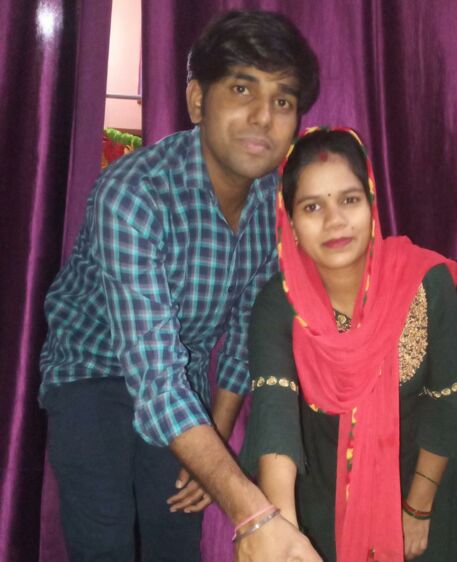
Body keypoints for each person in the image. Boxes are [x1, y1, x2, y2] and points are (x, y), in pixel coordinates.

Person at [39, 10, 322, 562]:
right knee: (105, 535)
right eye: (241, 88)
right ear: (197, 100)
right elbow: (154, 378)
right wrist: (254, 513)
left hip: (179, 377)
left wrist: (214, 437)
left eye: (283, 100)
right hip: (90, 370)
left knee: (176, 535)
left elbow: (243, 335)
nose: (263, 116)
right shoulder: (132, 193)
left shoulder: (274, 204)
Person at [240, 127, 457, 561]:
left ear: (372, 204)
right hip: (322, 500)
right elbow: (274, 415)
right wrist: (282, 527)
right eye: (312, 207)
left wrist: (417, 508)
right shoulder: (279, 303)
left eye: (349, 200)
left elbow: (448, 402)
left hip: (425, 493)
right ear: (290, 223)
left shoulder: (424, 283)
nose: (334, 221)